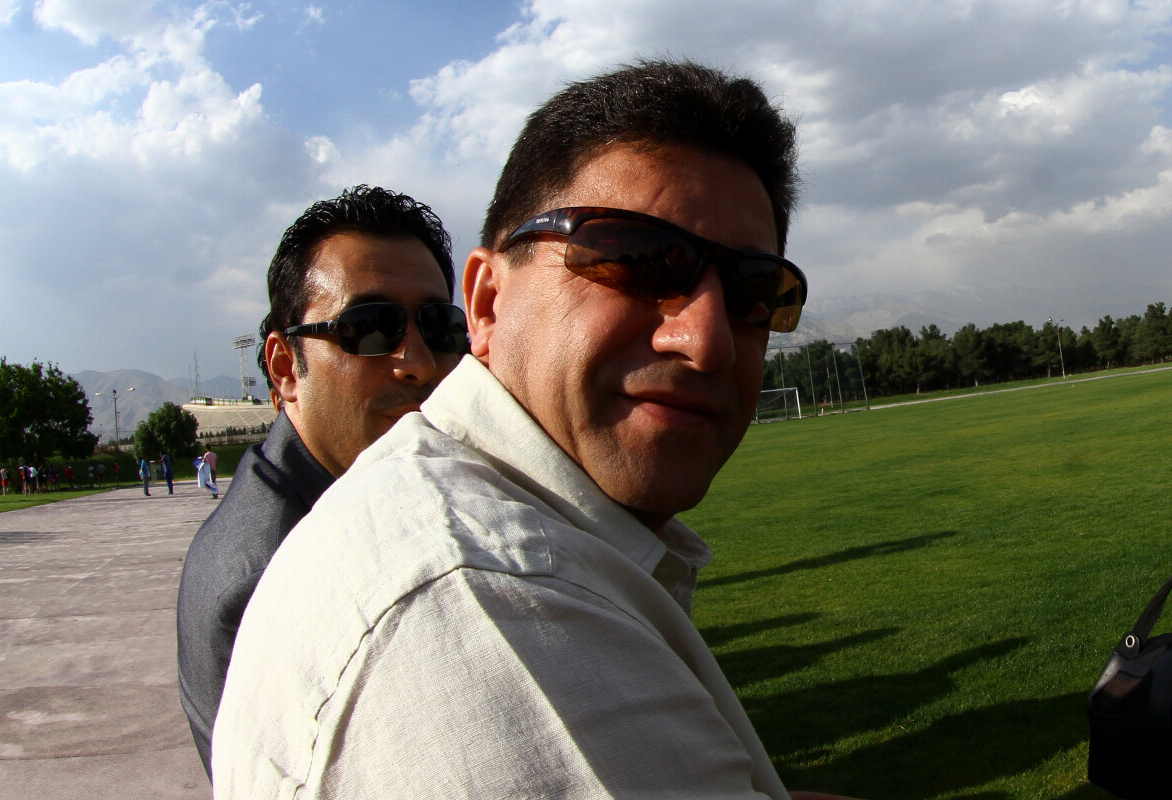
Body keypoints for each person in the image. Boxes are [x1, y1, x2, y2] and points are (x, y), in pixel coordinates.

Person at [214, 61, 854, 800]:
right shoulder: (485, 595)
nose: (707, 341)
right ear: (487, 302)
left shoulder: (474, 524)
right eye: (637, 260)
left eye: (753, 291)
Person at [176, 185, 466, 779]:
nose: (418, 363)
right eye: (371, 327)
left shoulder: (362, 492)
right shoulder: (271, 572)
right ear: (286, 367)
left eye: (438, 326)